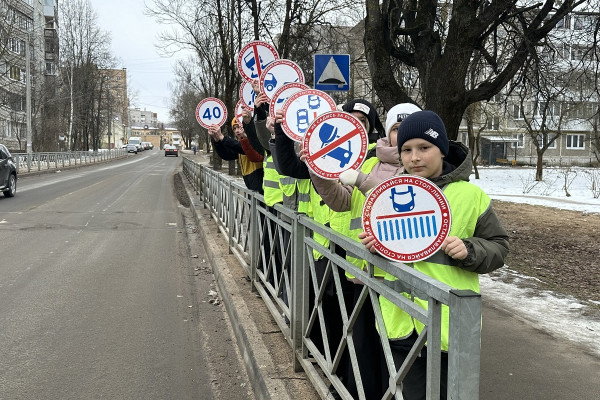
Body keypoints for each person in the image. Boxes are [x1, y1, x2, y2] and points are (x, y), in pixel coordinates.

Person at [359, 110, 510, 399]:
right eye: (406, 150)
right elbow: (385, 257)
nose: (414, 158)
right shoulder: (388, 195)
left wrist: (469, 250)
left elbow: (499, 247)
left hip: (450, 327)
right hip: (400, 322)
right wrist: (376, 247)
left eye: (424, 148)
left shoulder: (469, 195)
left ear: (441, 150)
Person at [207, 118, 264, 193]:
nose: (237, 131)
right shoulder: (241, 143)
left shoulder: (255, 142)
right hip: (250, 187)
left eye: (239, 127)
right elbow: (226, 155)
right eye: (234, 128)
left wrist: (222, 137)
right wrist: (216, 140)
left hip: (260, 185)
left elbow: (241, 148)